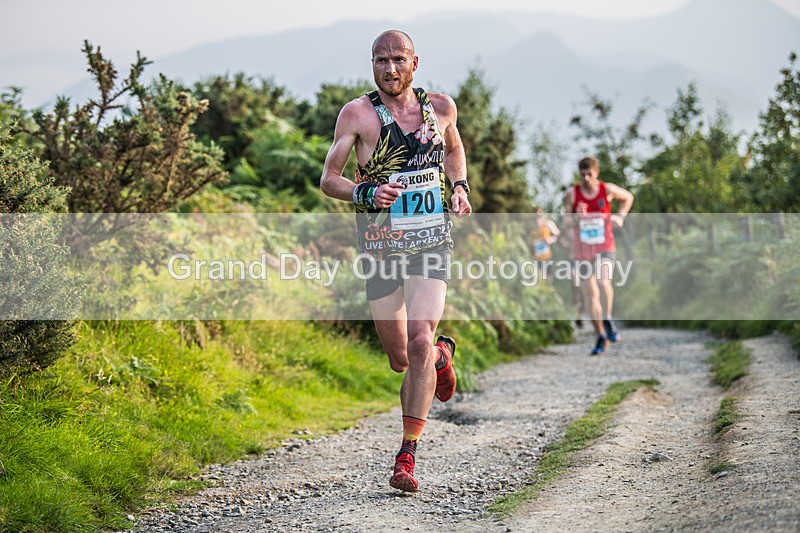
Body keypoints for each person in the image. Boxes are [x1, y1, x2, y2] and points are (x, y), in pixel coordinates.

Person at [320, 30, 472, 493]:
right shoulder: (357, 115)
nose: (390, 68)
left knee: (421, 338)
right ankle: (444, 358)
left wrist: (460, 186)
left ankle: (406, 455)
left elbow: (454, 149)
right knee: (401, 357)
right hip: (381, 244)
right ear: (372, 64)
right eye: (381, 60)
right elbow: (330, 178)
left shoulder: (441, 107)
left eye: (398, 59)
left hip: (430, 238)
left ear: (415, 62)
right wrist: (366, 191)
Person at [563, 156, 633, 355]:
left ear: (597, 173)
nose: (586, 178)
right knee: (590, 295)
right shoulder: (572, 194)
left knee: (603, 283)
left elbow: (628, 197)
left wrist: (620, 216)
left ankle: (608, 317)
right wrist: (577, 217)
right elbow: (566, 222)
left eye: (589, 174)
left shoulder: (607, 189)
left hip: (605, 246)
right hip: (582, 250)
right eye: (582, 174)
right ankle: (600, 334)